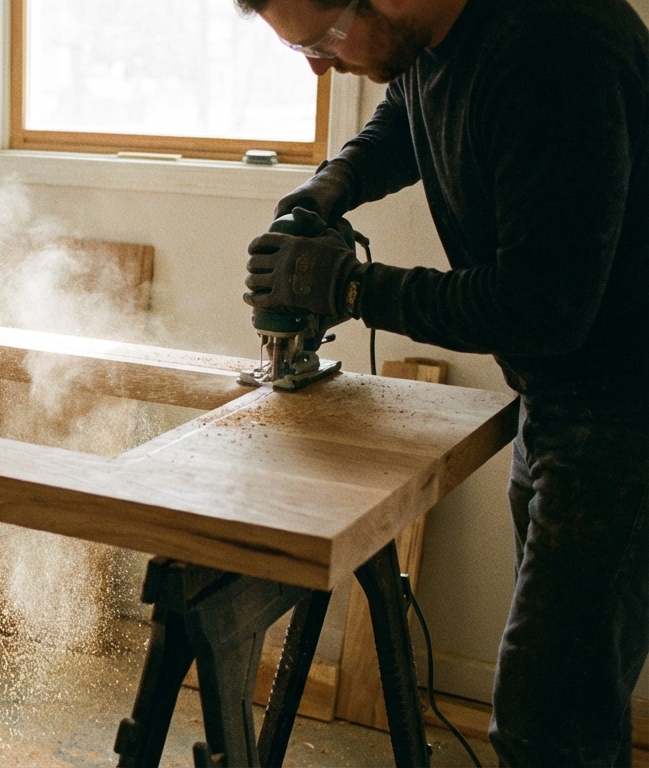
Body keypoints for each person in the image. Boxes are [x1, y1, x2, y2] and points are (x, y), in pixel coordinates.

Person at [235, 0, 649, 763]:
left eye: (324, 39)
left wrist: (355, 290)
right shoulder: (434, 33)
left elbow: (543, 307)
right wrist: (340, 180)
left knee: (548, 721)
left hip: (627, 409)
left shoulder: (560, 46)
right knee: (576, 692)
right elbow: (411, 111)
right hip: (566, 398)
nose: (323, 65)